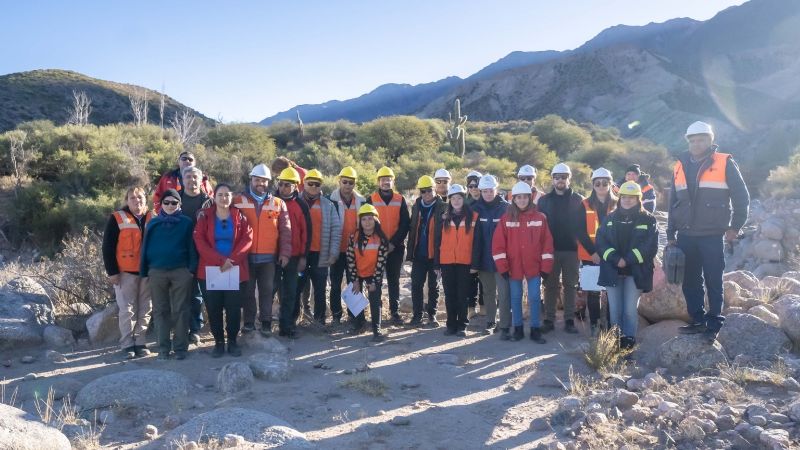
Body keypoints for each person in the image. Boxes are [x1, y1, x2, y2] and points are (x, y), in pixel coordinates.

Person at [667, 121, 749, 343]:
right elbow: (673, 201)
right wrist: (670, 233)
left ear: (710, 139)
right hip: (685, 234)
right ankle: (697, 320)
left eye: (701, 139)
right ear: (688, 141)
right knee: (689, 280)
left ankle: (714, 323)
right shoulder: (679, 165)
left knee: (713, 278)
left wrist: (735, 226)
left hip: (712, 234)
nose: (696, 143)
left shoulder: (724, 162)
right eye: (692, 140)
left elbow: (742, 198)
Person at [596, 181, 659, 349]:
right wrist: (616, 259)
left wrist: (628, 260)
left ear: (638, 199)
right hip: (612, 270)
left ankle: (628, 344)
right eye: (624, 197)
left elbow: (650, 246)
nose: (627, 200)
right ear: (619, 198)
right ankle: (614, 344)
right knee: (615, 311)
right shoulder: (610, 218)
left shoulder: (648, 219)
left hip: (636, 272)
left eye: (631, 197)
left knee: (630, 311)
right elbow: (601, 242)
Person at [193, 184, 253, 357]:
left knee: (234, 308)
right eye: (220, 195)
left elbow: (247, 239)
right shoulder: (205, 217)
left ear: (231, 197)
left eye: (227, 195)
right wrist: (220, 261)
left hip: (235, 269)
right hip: (211, 271)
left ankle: (232, 341)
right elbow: (199, 240)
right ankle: (218, 342)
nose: (224, 198)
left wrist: (231, 260)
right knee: (214, 308)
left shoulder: (239, 216)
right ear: (215, 197)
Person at [492, 182, 554, 343]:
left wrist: (546, 268)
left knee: (534, 297)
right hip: (513, 267)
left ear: (530, 198)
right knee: (515, 297)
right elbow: (498, 246)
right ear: (513, 199)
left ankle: (535, 330)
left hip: (534, 265)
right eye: (518, 197)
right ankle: (517, 330)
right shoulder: (506, 219)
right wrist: (503, 268)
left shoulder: (540, 218)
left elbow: (547, 243)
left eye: (524, 197)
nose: (521, 200)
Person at [234, 164, 291, 337]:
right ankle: (249, 323)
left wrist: (285, 253)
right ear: (251, 179)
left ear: (268, 182)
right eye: (257, 180)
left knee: (267, 291)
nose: (261, 183)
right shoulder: (237, 201)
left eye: (264, 180)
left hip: (269, 258)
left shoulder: (278, 203)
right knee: (248, 292)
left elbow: (285, 231)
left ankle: (266, 322)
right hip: (245, 257)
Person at [140, 189, 197, 360]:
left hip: (181, 271)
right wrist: (144, 270)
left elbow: (192, 247)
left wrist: (191, 269)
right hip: (157, 272)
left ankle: (180, 348)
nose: (170, 205)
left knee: (181, 310)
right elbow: (145, 248)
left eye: (174, 202)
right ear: (161, 204)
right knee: (160, 311)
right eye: (167, 202)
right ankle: (163, 349)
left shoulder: (186, 222)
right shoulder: (153, 223)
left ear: (179, 204)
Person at [101, 186, 153, 359]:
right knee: (127, 310)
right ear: (127, 200)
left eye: (140, 197)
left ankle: (140, 341)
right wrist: (112, 272)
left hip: (147, 271)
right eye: (132, 198)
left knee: (146, 308)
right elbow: (107, 247)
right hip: (125, 273)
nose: (137, 201)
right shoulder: (117, 218)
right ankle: (127, 344)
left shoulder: (154, 217)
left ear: (146, 199)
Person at [537, 163, 584, 334]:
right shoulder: (543, 201)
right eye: (557, 177)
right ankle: (549, 319)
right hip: (550, 250)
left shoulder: (578, 199)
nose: (560, 180)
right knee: (550, 285)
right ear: (552, 179)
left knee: (570, 285)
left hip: (572, 250)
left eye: (563, 177)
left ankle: (569, 320)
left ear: (568, 178)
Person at [433, 185, 480, 337]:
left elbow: (477, 243)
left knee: (463, 295)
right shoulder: (444, 217)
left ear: (464, 199)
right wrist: (437, 263)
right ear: (450, 200)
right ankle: (451, 325)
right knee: (450, 295)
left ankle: (462, 326)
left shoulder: (474, 217)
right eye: (453, 198)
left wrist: (475, 264)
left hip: (465, 262)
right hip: (446, 262)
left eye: (459, 198)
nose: (456, 201)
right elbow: (437, 241)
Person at [297, 169, 342, 325]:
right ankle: (296, 320)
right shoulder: (296, 202)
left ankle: (319, 321)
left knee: (320, 289)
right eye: (310, 183)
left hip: (319, 254)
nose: (314, 187)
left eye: (317, 184)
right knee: (298, 286)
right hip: (301, 254)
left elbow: (336, 231)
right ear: (304, 184)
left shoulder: (328, 205)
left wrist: (333, 253)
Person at [366, 166, 410, 325]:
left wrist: (393, 243)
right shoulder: (370, 199)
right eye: (383, 179)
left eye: (388, 179)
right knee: (376, 280)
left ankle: (395, 312)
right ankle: (376, 312)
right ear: (378, 181)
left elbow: (405, 224)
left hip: (395, 248)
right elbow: (367, 224)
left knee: (394, 280)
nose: (386, 182)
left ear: (393, 181)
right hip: (375, 248)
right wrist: (381, 244)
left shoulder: (400, 199)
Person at [576, 167, 617, 336]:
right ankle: (594, 324)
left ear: (610, 184)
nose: (601, 186)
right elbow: (579, 231)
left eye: (605, 183)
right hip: (589, 255)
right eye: (597, 183)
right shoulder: (584, 204)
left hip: (611, 255)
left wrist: (609, 253)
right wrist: (593, 252)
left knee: (609, 291)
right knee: (593, 292)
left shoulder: (618, 204)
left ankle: (608, 326)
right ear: (593, 185)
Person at [472, 174, 511, 336]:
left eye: (491, 190)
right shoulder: (474, 209)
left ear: (496, 190)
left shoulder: (507, 208)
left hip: (502, 259)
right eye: (485, 191)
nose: (488, 193)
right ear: (480, 191)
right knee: (488, 292)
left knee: (503, 293)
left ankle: (505, 325)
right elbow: (472, 237)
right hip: (483, 259)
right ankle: (490, 321)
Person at [274, 167, 310, 338]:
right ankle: (265, 325)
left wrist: (303, 256)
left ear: (296, 186)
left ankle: (286, 326)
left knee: (291, 292)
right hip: (272, 256)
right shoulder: (271, 201)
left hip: (295, 257)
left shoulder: (301, 205)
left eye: (287, 185)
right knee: (270, 291)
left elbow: (306, 233)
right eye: (280, 184)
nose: (283, 188)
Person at [406, 176, 446, 327]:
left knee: (433, 286)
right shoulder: (416, 205)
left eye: (429, 190)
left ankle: (432, 315)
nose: (427, 194)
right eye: (423, 191)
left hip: (435, 254)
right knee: (416, 285)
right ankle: (417, 316)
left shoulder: (443, 206)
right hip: (419, 254)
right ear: (420, 192)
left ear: (435, 190)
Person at [346, 204, 390, 342]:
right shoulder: (353, 236)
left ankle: (376, 329)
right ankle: (359, 324)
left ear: (376, 220)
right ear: (360, 221)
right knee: (354, 297)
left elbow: (381, 262)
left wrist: (375, 282)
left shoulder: (381, 238)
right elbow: (350, 259)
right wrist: (355, 280)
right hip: (357, 272)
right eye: (364, 219)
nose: (367, 222)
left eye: (370, 219)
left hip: (373, 273)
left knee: (375, 300)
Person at [328, 166, 366, 324]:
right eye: (345, 181)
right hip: (336, 250)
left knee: (355, 284)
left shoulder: (362, 202)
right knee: (335, 284)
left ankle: (354, 315)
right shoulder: (330, 201)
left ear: (355, 183)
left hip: (355, 251)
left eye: (351, 182)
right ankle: (336, 315)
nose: (348, 185)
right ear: (339, 181)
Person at [179, 166, 212, 346]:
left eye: (195, 177)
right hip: (183, 253)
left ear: (201, 181)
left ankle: (208, 328)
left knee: (208, 292)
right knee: (189, 293)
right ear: (182, 180)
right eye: (188, 177)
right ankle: (192, 329)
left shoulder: (209, 202)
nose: (192, 180)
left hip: (207, 253)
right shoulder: (175, 200)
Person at [464, 170, 484, 318]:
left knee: (484, 277)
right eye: (470, 186)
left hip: (485, 245)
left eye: (476, 185)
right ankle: (471, 307)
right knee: (470, 278)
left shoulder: (488, 201)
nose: (474, 188)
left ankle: (484, 306)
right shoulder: (465, 204)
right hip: (469, 245)